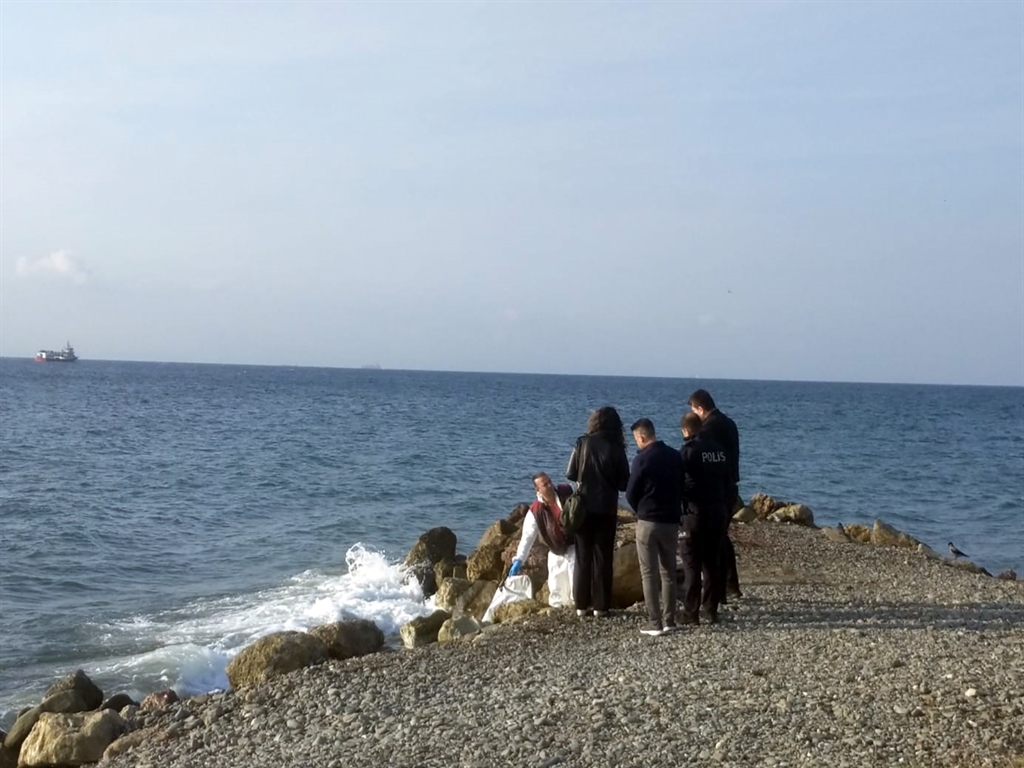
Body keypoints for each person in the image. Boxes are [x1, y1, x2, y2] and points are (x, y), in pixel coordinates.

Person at [566, 405, 630, 618]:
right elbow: (623, 483)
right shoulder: (617, 448)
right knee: (603, 557)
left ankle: (581, 605)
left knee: (583, 557)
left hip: (583, 508)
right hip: (607, 508)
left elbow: (570, 473)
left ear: (594, 422)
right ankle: (601, 606)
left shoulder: (582, 442)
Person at [625, 418, 684, 636]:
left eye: (636, 439)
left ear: (641, 437)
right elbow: (681, 485)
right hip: (670, 520)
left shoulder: (642, 460)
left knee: (648, 573)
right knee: (668, 571)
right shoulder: (674, 456)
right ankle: (670, 619)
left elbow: (631, 491)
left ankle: (655, 622)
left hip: (648, 520)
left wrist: (639, 508)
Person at [688, 389, 742, 599]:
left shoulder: (708, 428)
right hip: (729, 483)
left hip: (717, 487)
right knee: (721, 536)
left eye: (693, 410)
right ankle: (729, 584)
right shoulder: (729, 423)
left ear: (700, 408)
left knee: (714, 540)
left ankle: (721, 586)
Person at [679, 411, 731, 624]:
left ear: (686, 430)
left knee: (691, 563)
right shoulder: (720, 451)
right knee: (712, 563)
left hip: (696, 511)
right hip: (718, 510)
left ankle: (691, 612)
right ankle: (711, 609)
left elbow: (679, 482)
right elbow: (728, 481)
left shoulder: (689, 451)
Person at [508, 472, 576, 608]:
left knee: (577, 584)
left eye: (550, 482)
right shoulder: (535, 511)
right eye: (545, 485)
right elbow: (527, 537)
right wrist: (519, 560)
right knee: (557, 588)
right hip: (556, 552)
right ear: (538, 490)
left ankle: (579, 610)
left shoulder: (566, 492)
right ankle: (557, 613)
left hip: (574, 547)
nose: (550, 486)